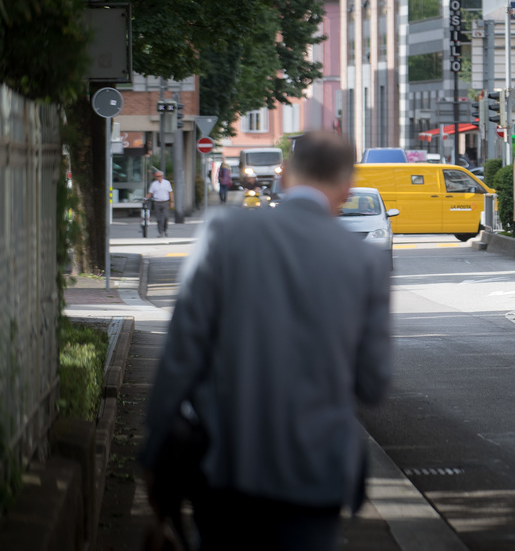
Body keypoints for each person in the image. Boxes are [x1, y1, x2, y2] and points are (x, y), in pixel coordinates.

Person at [139, 132, 392, 550]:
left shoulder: (225, 234)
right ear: (347, 188)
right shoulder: (366, 262)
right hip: (317, 473)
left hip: (227, 464)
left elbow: (180, 356)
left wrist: (154, 452)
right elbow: (373, 382)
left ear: (286, 177)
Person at [146, 170, 174, 237]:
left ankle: (165, 229)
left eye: (159, 176)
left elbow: (170, 192)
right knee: (159, 219)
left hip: (165, 202)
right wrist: (145, 199)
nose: (158, 177)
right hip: (157, 203)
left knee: (166, 217)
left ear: (162, 176)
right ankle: (160, 232)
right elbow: (150, 193)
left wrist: (172, 201)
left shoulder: (167, 183)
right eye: (157, 176)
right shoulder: (154, 184)